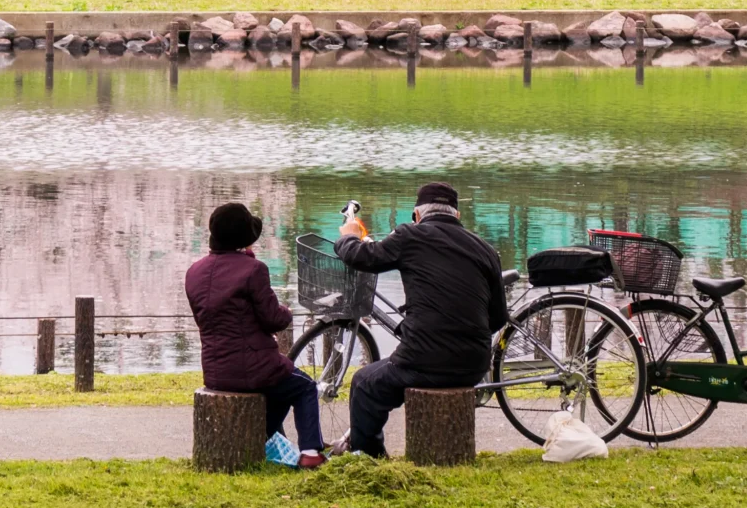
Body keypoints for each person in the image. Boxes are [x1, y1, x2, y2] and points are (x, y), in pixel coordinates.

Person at [333, 183, 506, 458]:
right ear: (457, 216)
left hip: (425, 361)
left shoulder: (410, 236)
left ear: (416, 214)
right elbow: (498, 318)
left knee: (365, 383)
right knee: (387, 372)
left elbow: (363, 257)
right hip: (474, 365)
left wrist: (348, 237)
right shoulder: (485, 249)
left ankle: (369, 458)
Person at [185, 201, 326, 468]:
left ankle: (257, 439)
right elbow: (273, 319)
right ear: (245, 238)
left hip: (215, 369)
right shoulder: (253, 270)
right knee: (303, 387)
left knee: (280, 389)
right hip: (254, 367)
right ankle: (310, 452)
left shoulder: (194, 271)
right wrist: (287, 312)